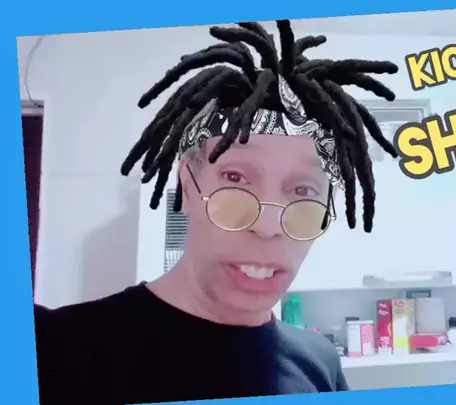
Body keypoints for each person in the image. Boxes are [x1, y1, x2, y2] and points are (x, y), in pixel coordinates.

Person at [33, 20, 399, 405]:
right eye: (236, 178)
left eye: (302, 190)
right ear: (188, 186)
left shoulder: (320, 363)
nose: (268, 225)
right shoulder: (55, 350)